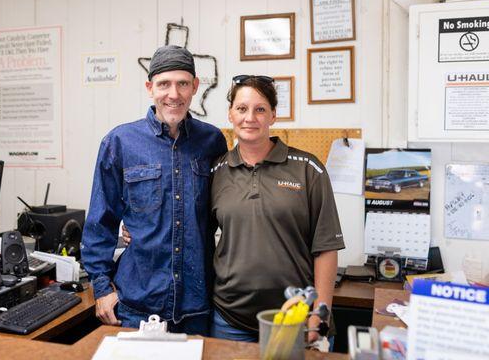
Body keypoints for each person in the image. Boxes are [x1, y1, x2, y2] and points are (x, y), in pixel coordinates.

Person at [81, 45, 228, 335]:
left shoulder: (212, 142)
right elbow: (100, 223)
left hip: (197, 305)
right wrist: (101, 288)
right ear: (150, 88)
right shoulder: (119, 142)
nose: (173, 94)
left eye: (183, 83)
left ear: (195, 87)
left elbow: (221, 214)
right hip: (137, 305)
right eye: (164, 84)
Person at [209, 75, 345, 343]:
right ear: (230, 114)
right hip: (229, 320)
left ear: (273, 116)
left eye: (260, 109)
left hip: (294, 318)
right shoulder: (215, 172)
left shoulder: (308, 169)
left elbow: (326, 247)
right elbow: (192, 232)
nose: (250, 118)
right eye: (242, 108)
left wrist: (319, 314)